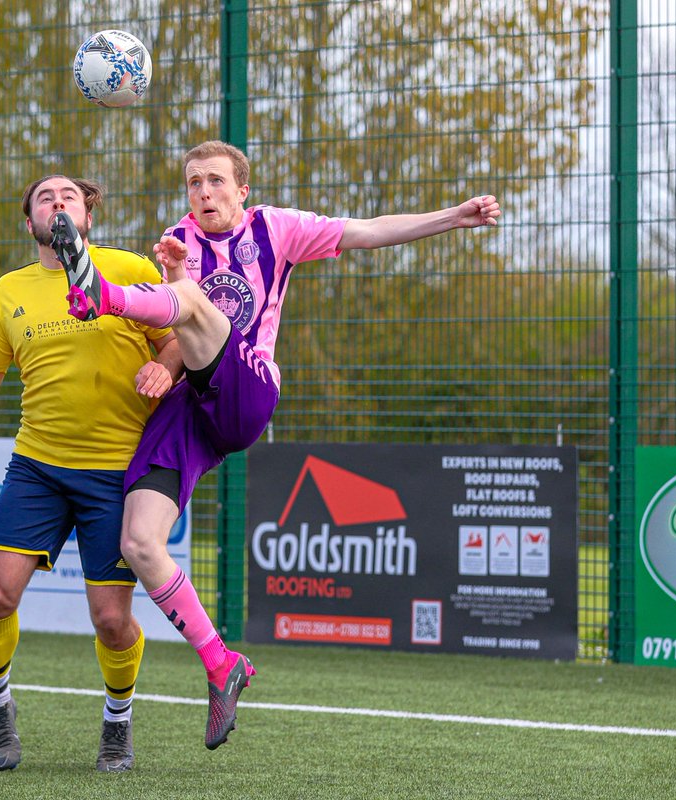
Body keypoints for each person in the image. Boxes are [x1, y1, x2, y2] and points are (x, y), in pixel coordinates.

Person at [61, 140, 501, 749]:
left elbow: (368, 230)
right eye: (194, 182)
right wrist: (170, 326)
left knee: (193, 301)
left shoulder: (277, 228)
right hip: (193, 405)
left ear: (242, 189)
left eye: (215, 181)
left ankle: (99, 296)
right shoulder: (177, 239)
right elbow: (178, 330)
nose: (203, 192)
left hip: (248, 391)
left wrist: (453, 217)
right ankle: (221, 662)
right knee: (138, 541)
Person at [0, 174, 181, 773]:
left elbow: (176, 339)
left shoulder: (129, 268)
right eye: (45, 198)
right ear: (29, 220)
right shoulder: (8, 290)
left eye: (69, 197)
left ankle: (118, 720)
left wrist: (166, 369)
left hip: (116, 471)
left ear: (88, 215)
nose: (57, 203)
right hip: (38, 466)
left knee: (111, 621)